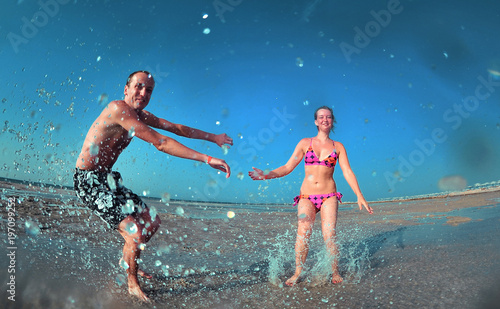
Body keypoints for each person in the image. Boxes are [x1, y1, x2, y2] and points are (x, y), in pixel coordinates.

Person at [73, 70, 232, 302]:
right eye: (138, 87)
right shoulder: (119, 109)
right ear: (126, 89)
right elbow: (161, 142)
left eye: (149, 90)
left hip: (107, 178)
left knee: (151, 220)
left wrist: (213, 137)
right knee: (134, 234)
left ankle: (125, 260)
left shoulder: (141, 115)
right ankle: (131, 285)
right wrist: (206, 159)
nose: (143, 93)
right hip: (89, 181)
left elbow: (175, 128)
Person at [248, 106, 372, 286]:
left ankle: (335, 271)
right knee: (303, 233)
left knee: (329, 235)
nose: (325, 119)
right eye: (321, 117)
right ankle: (298, 271)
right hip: (306, 196)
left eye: (328, 117)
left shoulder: (338, 147)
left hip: (329, 195)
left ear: (332, 121)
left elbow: (347, 171)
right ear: (315, 121)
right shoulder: (305, 143)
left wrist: (359, 196)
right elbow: (287, 167)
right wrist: (267, 175)